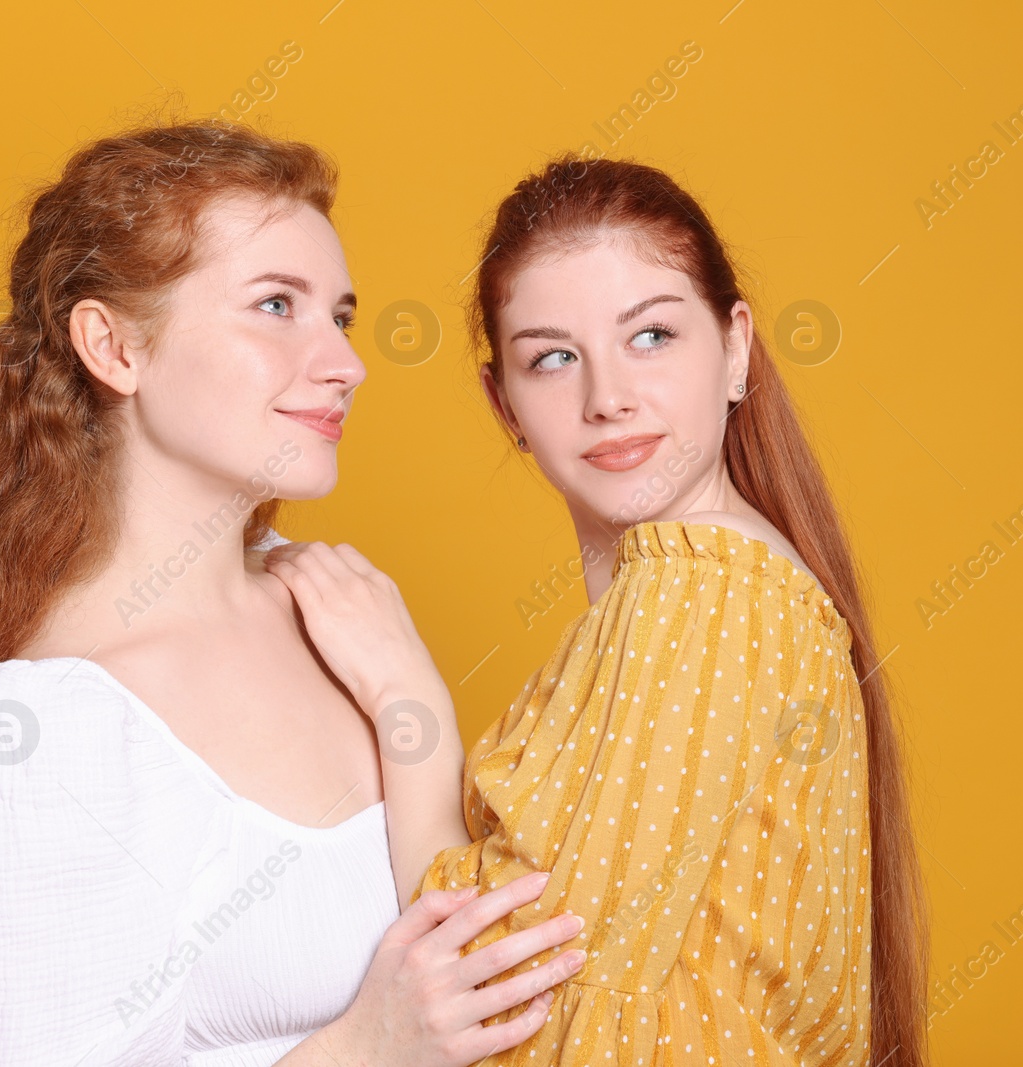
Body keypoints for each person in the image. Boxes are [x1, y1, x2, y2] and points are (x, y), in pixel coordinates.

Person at [0, 118, 585, 1067]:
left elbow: (475, 955)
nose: (344, 363)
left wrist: (416, 710)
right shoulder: (40, 733)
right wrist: (365, 1047)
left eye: (339, 315)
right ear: (113, 347)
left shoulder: (343, 612)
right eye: (276, 305)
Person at [264, 157, 930, 1066]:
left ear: (735, 349)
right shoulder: (729, 587)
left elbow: (501, 984)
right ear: (507, 405)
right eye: (554, 357)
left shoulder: (703, 593)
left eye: (651, 336)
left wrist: (405, 699)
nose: (608, 396)